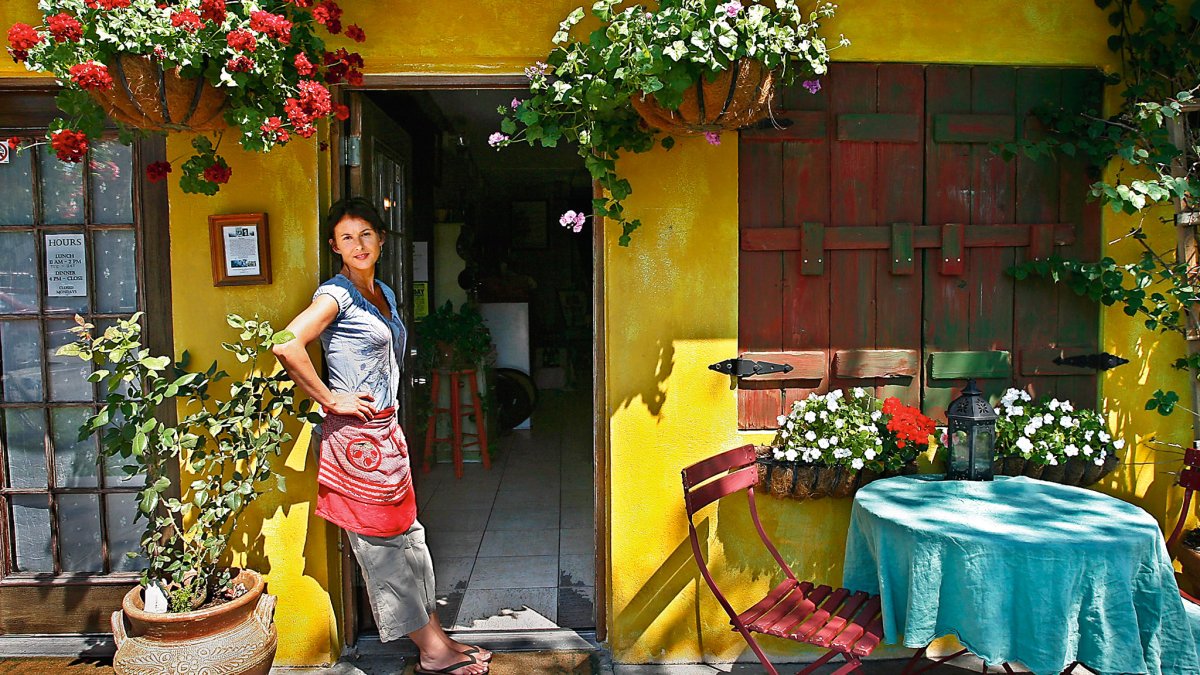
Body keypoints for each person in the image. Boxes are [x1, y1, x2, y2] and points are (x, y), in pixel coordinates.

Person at [273, 198, 491, 675]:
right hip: (355, 445)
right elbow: (287, 343)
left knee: (409, 539)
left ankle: (435, 634)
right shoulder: (336, 295)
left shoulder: (385, 294)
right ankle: (432, 653)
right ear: (335, 246)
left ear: (381, 239)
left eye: (366, 234)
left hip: (385, 433)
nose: (358, 244)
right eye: (347, 237)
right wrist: (332, 399)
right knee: (382, 548)